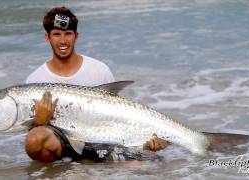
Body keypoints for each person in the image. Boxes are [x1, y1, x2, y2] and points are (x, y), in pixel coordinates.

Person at [25, 6, 169, 163]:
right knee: (35, 140)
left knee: (141, 166)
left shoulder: (99, 70)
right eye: (57, 34)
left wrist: (145, 141)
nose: (63, 40)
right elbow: (33, 140)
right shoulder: (35, 80)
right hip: (61, 145)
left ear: (76, 36)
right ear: (47, 37)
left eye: (68, 34)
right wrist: (40, 122)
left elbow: (116, 118)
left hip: (100, 141)